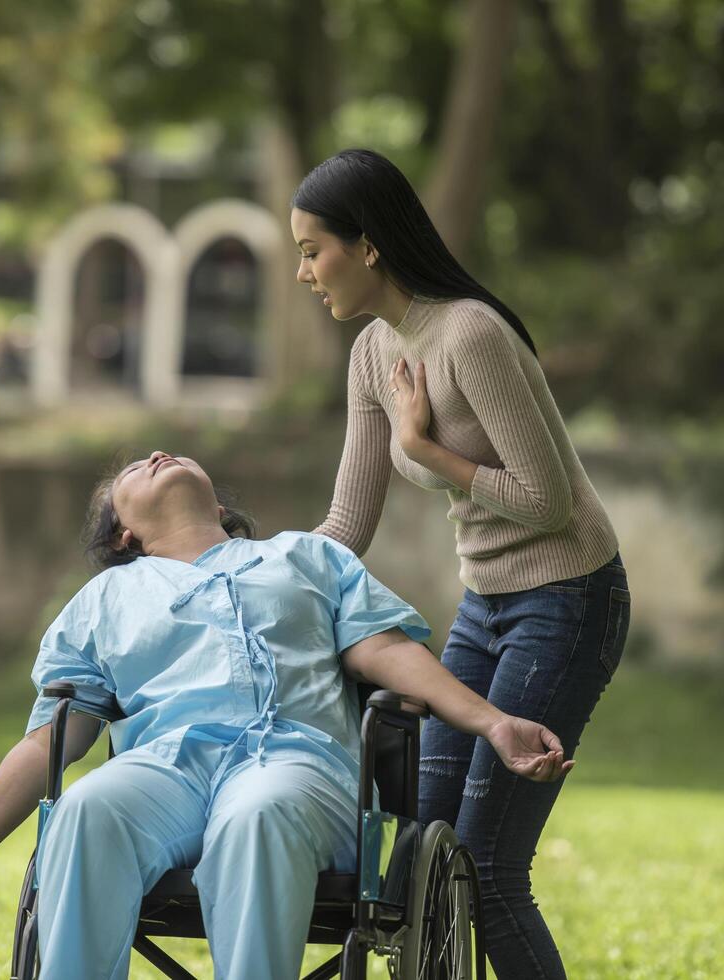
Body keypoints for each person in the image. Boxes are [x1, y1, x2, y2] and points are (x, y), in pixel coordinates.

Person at [0, 450, 574, 980]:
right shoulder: (103, 600)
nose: (155, 456)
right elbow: (46, 745)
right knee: (88, 808)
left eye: (163, 454)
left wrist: (490, 722)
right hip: (164, 771)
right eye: (133, 469)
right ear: (122, 534)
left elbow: (388, 653)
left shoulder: (306, 558)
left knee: (258, 814)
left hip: (297, 767)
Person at [294, 148, 632, 978]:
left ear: (367, 245)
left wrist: (423, 447)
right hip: (486, 606)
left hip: (568, 598)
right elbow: (346, 521)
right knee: (413, 854)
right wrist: (257, 572)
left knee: (485, 868)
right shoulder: (374, 353)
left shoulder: (469, 334)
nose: (304, 272)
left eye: (312, 250)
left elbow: (545, 501)